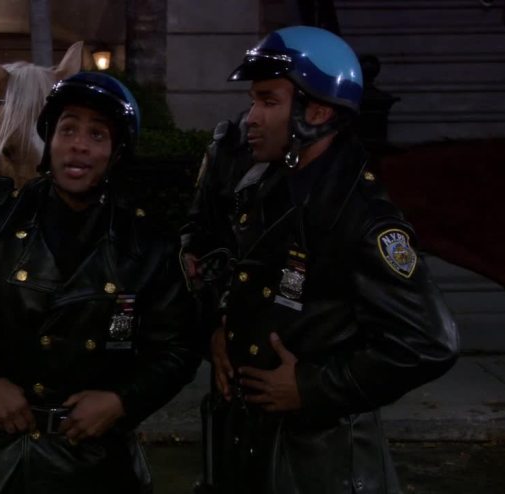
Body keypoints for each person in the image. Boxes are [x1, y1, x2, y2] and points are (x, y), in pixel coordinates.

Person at [182, 26, 460, 493]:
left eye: (268, 101)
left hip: (321, 464)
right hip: (248, 449)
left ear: (317, 112)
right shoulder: (263, 185)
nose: (251, 117)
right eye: (253, 100)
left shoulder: (362, 217)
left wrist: (312, 387)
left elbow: (429, 342)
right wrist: (221, 325)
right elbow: (234, 267)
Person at [0, 72, 200, 493]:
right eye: (68, 129)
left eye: (97, 134)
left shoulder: (148, 244)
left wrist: (121, 400)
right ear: (50, 141)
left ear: (116, 152)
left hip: (95, 458)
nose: (79, 144)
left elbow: (180, 346)